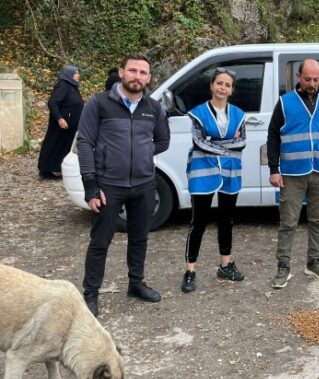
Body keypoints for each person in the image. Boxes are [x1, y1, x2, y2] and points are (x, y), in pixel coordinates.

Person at [77, 53, 170, 316]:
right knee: (100, 242)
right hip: (109, 186)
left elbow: (163, 141)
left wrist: (141, 152)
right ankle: (91, 294)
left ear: (149, 77)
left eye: (143, 72)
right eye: (133, 71)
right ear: (121, 72)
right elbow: (84, 142)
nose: (137, 76)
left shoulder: (154, 108)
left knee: (140, 238)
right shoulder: (98, 104)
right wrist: (90, 186)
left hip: (143, 185)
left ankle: (136, 284)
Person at [267, 59, 319, 289]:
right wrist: (274, 169)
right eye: (307, 79)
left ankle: (314, 262)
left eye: (316, 79)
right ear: (298, 77)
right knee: (288, 222)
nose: (312, 83)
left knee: (317, 221)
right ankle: (283, 267)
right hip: (292, 173)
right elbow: (273, 136)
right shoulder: (284, 103)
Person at [181, 68, 246, 293]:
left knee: (226, 220)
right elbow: (199, 142)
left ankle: (225, 265)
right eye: (219, 83)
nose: (223, 88)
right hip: (202, 171)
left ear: (232, 90)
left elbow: (242, 142)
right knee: (198, 222)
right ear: (212, 85)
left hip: (230, 171)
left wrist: (214, 142)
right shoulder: (198, 113)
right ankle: (190, 270)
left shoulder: (239, 114)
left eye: (227, 85)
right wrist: (226, 142)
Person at [37, 65, 83, 180]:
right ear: (70, 74)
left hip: (69, 124)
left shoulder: (71, 86)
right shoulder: (63, 85)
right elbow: (52, 102)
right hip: (61, 124)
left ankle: (59, 168)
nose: (78, 75)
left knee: (63, 146)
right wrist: (60, 118)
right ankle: (45, 169)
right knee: (54, 144)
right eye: (76, 73)